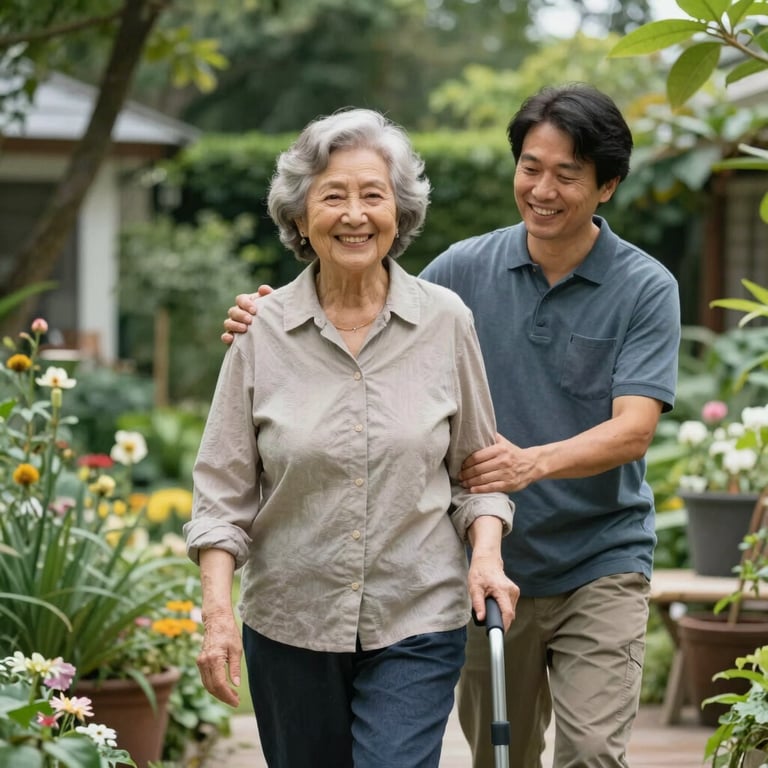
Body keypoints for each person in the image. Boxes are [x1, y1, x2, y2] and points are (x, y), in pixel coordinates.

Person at [222, 83, 681, 768]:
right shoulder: (463, 272)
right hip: (478, 568)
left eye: (567, 175)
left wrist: (530, 464)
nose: (543, 189)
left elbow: (634, 431)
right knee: (504, 756)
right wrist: (273, 316)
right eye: (531, 167)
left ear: (607, 186)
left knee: (591, 754)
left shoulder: (645, 288)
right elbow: (373, 311)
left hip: (598, 558)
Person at [184, 107, 518, 768]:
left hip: (417, 616)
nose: (355, 214)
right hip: (290, 623)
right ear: (301, 217)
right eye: (333, 195)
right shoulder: (261, 332)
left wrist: (486, 554)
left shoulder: (445, 322)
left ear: (401, 213)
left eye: (373, 195)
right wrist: (218, 618)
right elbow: (221, 497)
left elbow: (477, 473)